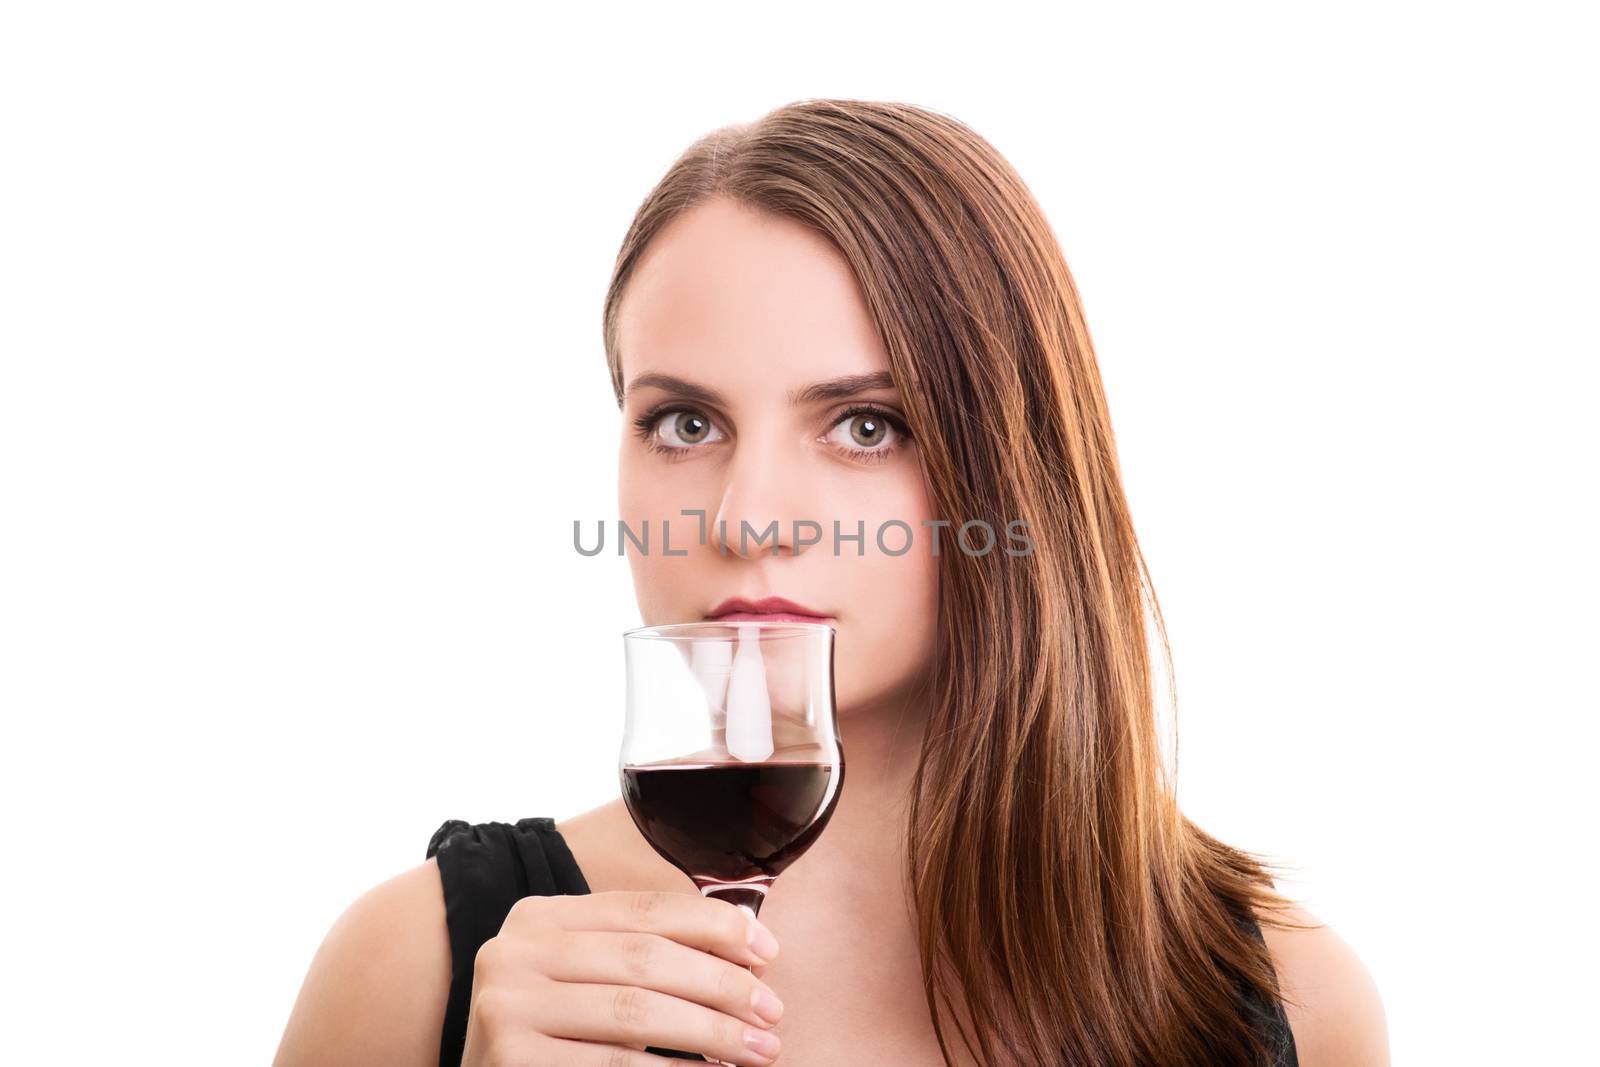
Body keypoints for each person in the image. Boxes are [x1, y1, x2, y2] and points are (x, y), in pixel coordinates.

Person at [272, 98, 1388, 1067]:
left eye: (865, 424)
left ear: (1018, 473)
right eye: (685, 420)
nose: (747, 512)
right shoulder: (423, 970)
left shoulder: (1285, 1004)